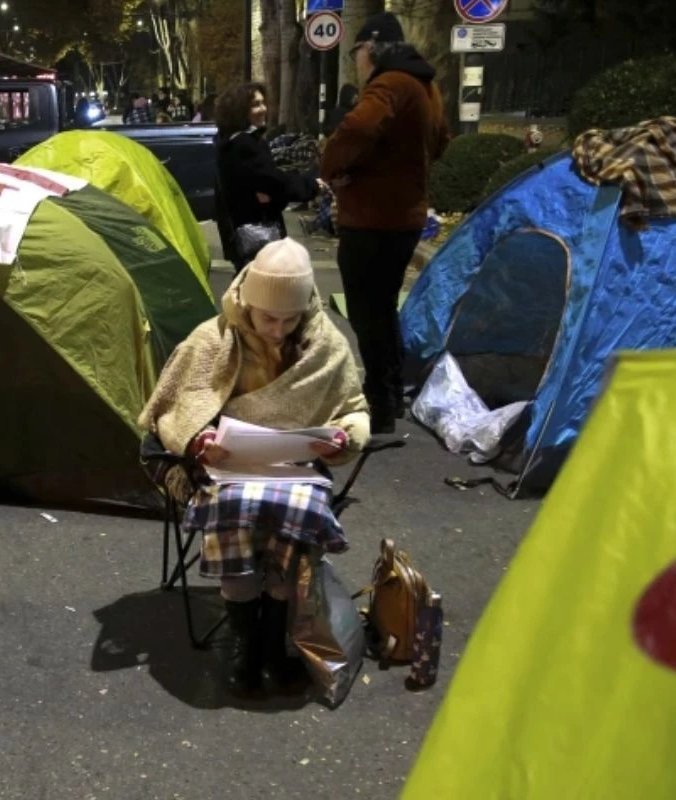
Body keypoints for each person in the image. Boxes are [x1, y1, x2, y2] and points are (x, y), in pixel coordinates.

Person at [139, 239, 370, 695]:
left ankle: (270, 643)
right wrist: (197, 437)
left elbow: (355, 409)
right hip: (220, 471)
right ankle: (245, 645)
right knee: (237, 509)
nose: (279, 330)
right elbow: (170, 411)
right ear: (247, 303)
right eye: (268, 318)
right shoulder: (212, 339)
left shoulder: (328, 345)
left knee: (297, 515)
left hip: (296, 467)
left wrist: (346, 436)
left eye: (291, 319)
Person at [320, 12, 450, 433]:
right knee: (384, 308)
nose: (356, 59)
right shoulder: (426, 87)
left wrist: (334, 164)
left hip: (372, 218)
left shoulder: (389, 85)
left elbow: (357, 127)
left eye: (357, 50)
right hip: (406, 217)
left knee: (366, 312)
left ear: (371, 48)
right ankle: (390, 393)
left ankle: (379, 403)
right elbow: (441, 140)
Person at [213, 82, 319, 271]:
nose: (263, 109)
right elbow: (274, 182)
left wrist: (271, 193)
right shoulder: (245, 144)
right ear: (239, 110)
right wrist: (310, 185)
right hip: (258, 234)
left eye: (263, 102)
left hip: (241, 235)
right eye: (255, 104)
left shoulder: (228, 140)